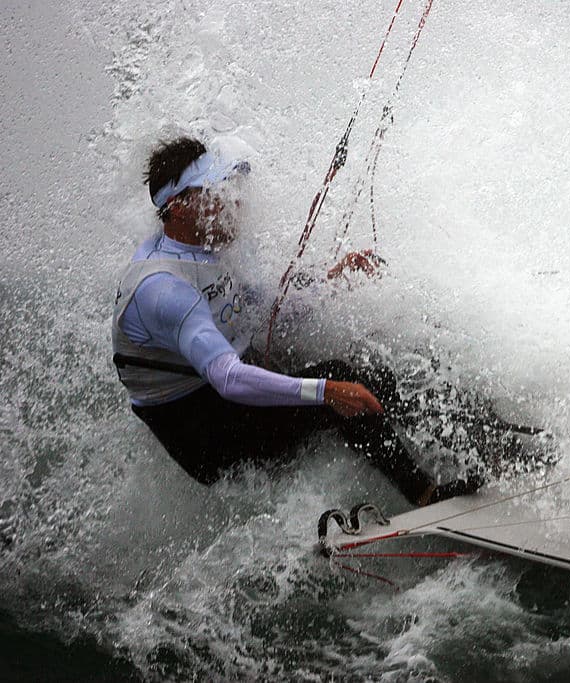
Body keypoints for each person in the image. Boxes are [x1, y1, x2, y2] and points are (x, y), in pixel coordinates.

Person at [112, 135, 480, 505]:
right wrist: (328, 391)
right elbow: (228, 378)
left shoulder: (207, 245)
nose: (231, 201)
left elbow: (262, 307)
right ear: (178, 208)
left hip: (231, 388)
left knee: (374, 363)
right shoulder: (163, 290)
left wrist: (331, 282)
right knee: (339, 377)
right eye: (214, 193)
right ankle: (425, 494)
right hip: (207, 436)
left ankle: (481, 440)